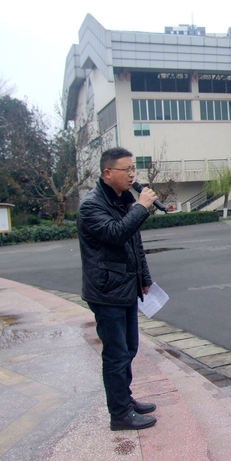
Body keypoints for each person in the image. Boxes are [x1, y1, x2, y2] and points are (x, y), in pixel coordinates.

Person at [77, 147, 158, 431]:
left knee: (130, 348)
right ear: (107, 173)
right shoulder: (92, 205)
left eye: (133, 169)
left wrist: (144, 277)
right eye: (126, 170)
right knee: (116, 354)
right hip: (107, 290)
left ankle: (126, 399)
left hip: (126, 286)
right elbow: (115, 233)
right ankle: (120, 414)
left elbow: (134, 243)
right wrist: (141, 207)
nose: (132, 175)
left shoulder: (122, 199)